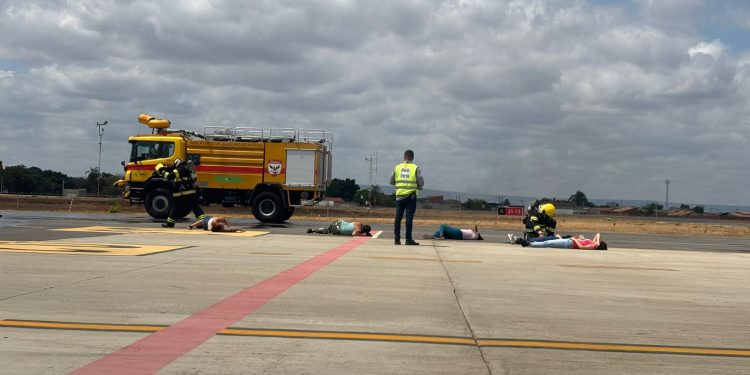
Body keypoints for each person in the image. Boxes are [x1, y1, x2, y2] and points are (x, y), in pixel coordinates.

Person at [155, 158, 206, 228]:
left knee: (176, 208)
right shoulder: (185, 169)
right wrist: (165, 168)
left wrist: (162, 171)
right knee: (194, 207)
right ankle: (201, 222)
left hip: (183, 193)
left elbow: (170, 176)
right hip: (188, 192)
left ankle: (170, 223)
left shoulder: (180, 169)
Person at [390, 149, 424, 246]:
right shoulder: (415, 168)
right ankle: (408, 239)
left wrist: (399, 184)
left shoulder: (397, 167)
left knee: (398, 218)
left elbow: (391, 181)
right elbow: (421, 182)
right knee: (409, 219)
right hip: (410, 197)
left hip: (399, 196)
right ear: (412, 157)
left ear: (404, 157)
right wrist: (418, 186)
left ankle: (397, 240)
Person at [512, 233, 607, 250]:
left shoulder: (592, 246)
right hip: (569, 241)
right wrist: (597, 241)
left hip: (569, 243)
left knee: (548, 243)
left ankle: (527, 243)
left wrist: (574, 240)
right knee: (549, 241)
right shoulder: (593, 243)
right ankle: (527, 243)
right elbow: (598, 234)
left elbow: (581, 247)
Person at [306, 220, 372, 236]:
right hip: (338, 230)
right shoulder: (359, 230)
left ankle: (313, 230)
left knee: (328, 229)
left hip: (339, 222)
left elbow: (351, 224)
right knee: (328, 230)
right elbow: (354, 234)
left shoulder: (359, 223)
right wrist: (364, 235)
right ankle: (313, 230)